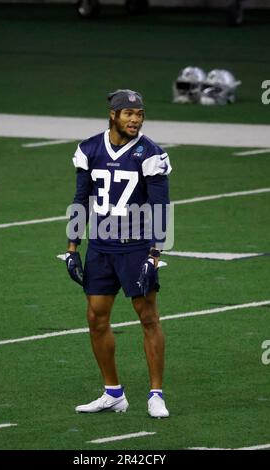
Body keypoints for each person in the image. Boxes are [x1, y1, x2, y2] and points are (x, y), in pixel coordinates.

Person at [65, 89, 172, 418]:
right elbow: (80, 199)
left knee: (148, 318)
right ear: (113, 115)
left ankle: (156, 394)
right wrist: (72, 247)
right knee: (96, 319)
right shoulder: (89, 149)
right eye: (129, 114)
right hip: (100, 246)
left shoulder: (151, 153)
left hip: (136, 246)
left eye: (139, 114)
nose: (136, 119)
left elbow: (160, 207)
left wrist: (154, 254)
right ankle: (113, 393)